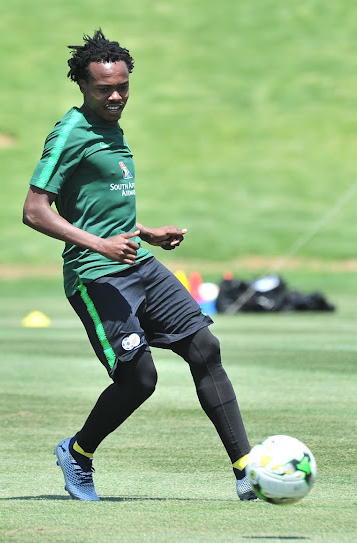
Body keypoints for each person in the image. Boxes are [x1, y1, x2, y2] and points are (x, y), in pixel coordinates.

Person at [22, 29, 256, 502]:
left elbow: (98, 203)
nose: (115, 96)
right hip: (96, 274)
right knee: (140, 379)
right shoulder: (69, 133)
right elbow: (35, 210)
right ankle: (79, 452)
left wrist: (145, 233)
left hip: (139, 264)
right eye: (103, 88)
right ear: (82, 86)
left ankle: (247, 470)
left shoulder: (113, 127)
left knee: (205, 348)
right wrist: (100, 246)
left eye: (122, 86)